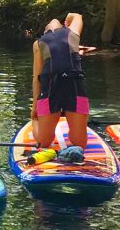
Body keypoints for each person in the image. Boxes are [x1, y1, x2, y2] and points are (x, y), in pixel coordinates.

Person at [30, 14, 90, 148]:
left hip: (52, 87)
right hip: (73, 85)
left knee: (43, 143)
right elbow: (77, 15)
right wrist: (68, 20)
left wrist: (35, 107)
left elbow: (37, 77)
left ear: (46, 31)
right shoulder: (72, 32)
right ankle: (74, 128)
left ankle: (35, 121)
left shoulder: (38, 43)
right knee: (79, 144)